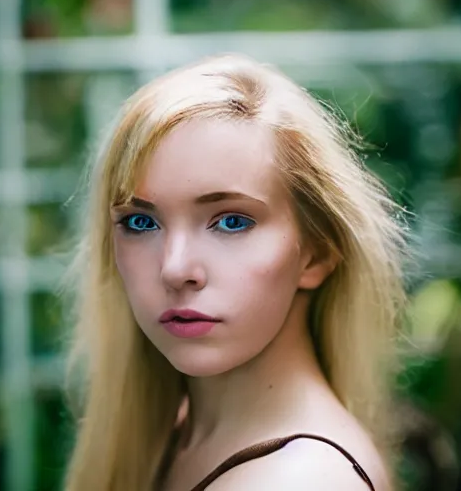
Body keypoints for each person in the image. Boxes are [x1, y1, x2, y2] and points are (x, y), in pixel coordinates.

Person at [63, 54, 409, 490]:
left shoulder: (302, 480)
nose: (175, 268)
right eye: (141, 222)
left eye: (231, 221)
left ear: (317, 254)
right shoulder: (174, 435)